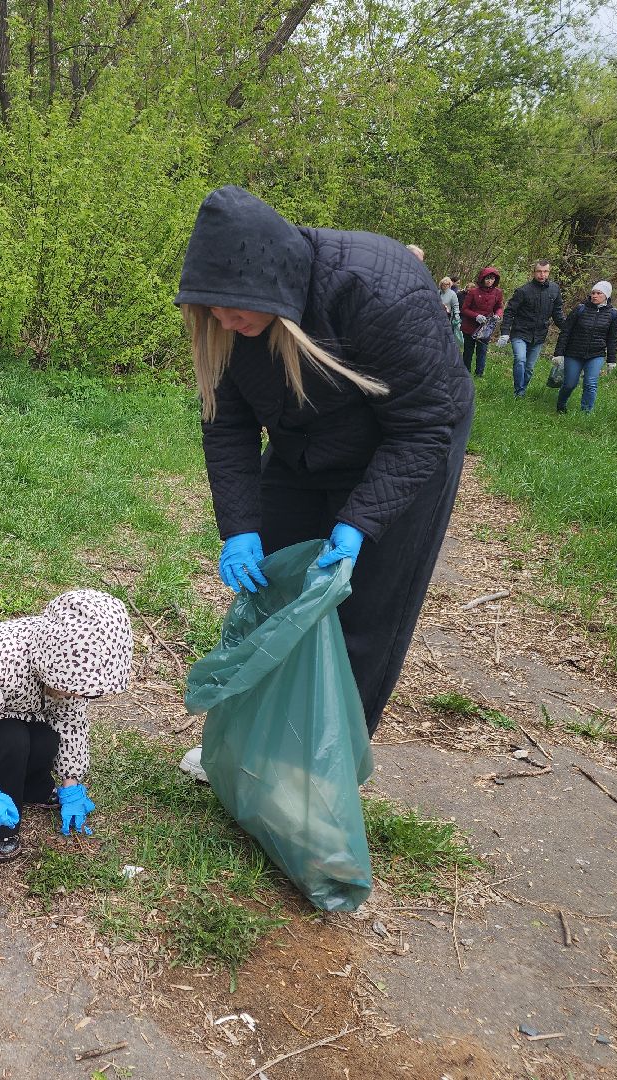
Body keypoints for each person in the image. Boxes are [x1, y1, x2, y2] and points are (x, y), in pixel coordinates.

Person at [175, 186, 473, 739]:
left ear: (273, 285)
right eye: (212, 308)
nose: (224, 320)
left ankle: (322, 759)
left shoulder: (378, 291)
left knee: (362, 609)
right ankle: (251, 741)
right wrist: (239, 528)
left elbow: (424, 425)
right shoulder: (226, 323)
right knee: (274, 589)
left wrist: (360, 521)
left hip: (403, 440)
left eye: (235, 309)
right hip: (302, 441)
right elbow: (227, 426)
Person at [0, 590, 133, 862]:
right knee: (11, 739)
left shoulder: (68, 663)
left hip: (17, 704)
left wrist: (71, 784)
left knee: (46, 738)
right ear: (53, 663)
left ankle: (30, 786)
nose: (77, 695)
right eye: (73, 688)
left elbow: (70, 721)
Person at [552, 281, 617, 414]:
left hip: (596, 354)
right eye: (593, 293)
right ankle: (561, 405)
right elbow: (566, 331)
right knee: (570, 383)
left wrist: (611, 360)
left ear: (606, 296)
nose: (594, 296)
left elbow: (612, 339)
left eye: (599, 293)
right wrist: (558, 353)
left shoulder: (613, 314)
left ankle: (586, 413)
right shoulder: (580, 309)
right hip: (574, 352)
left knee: (590, 383)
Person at [502, 261, 565, 397]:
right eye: (539, 271)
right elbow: (509, 311)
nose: (542, 274)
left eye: (545, 271)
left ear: (549, 272)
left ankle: (522, 388)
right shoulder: (523, 291)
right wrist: (505, 332)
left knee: (529, 368)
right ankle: (519, 391)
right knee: (520, 360)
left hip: (539, 335)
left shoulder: (554, 289)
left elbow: (558, 313)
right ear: (534, 272)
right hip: (520, 332)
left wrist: (567, 329)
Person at [459, 267, 504, 377]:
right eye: (487, 278)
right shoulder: (473, 292)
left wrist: (498, 315)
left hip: (485, 327)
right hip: (470, 326)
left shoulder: (497, 292)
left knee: (482, 350)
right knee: (468, 351)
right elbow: (464, 309)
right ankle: (465, 372)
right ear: (482, 279)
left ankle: (479, 374)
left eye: (492, 279)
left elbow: (499, 307)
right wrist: (476, 316)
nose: (489, 281)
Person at [439, 276, 462, 346]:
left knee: (446, 333)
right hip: (437, 315)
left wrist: (457, 316)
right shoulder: (438, 292)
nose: (445, 286)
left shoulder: (452, 294)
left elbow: (456, 305)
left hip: (447, 316)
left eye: (447, 284)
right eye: (444, 284)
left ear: (450, 285)